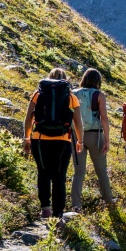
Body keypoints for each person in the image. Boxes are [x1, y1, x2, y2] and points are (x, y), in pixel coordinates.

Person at [22, 67, 83, 218]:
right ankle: (58, 213)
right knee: (59, 176)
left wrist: (27, 137)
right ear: (65, 80)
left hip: (40, 139)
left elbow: (28, 117)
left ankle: (45, 209)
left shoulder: (38, 93)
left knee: (43, 173)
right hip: (63, 141)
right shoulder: (71, 97)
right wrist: (80, 141)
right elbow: (78, 122)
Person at [70, 68, 115, 213]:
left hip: (77, 136)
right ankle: (109, 201)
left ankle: (76, 206)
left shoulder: (73, 93)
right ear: (98, 81)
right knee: (101, 171)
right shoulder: (99, 95)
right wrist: (107, 140)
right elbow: (104, 118)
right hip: (96, 135)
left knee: (78, 173)